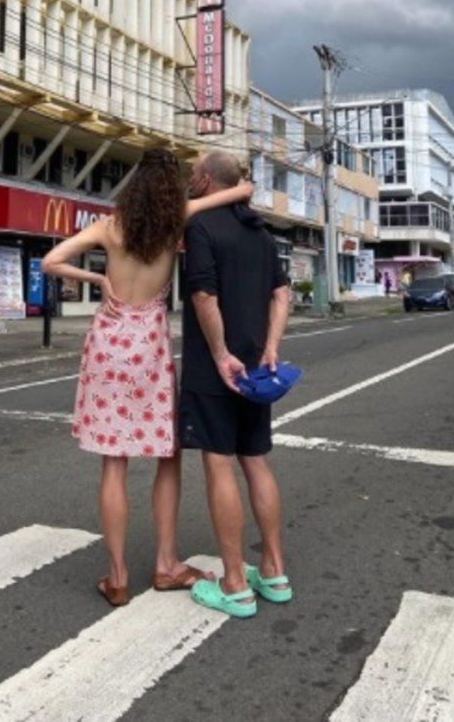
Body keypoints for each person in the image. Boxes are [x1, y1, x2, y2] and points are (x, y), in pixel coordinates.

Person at [42, 148, 252, 607]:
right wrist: (235, 181)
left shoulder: (109, 226)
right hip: (149, 349)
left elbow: (50, 261)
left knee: (113, 462)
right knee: (167, 456)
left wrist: (98, 282)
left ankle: (117, 576)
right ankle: (166, 564)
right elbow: (240, 191)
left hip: (107, 342)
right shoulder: (176, 220)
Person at [179, 150, 291, 618]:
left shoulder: (200, 227)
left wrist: (221, 354)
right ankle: (274, 571)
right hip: (257, 364)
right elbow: (281, 294)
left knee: (219, 463)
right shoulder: (260, 232)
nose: (189, 180)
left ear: (206, 180)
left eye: (192, 175)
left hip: (215, 366)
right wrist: (270, 347)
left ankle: (234, 583)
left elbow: (204, 295)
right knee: (256, 461)